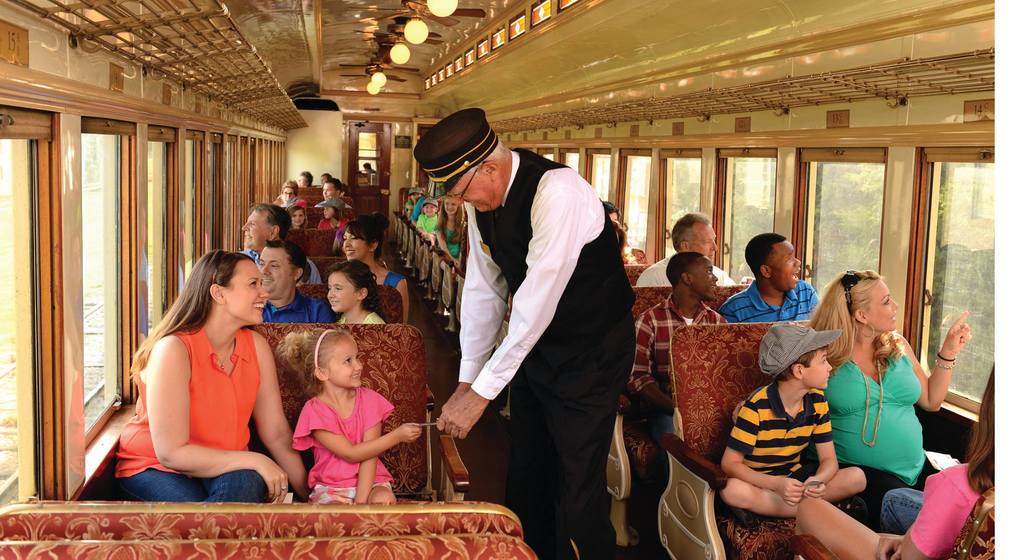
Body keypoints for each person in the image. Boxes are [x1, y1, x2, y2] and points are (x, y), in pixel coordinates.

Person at [413, 108, 635, 560]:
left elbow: (535, 304)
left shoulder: (558, 191)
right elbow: (484, 289)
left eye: (462, 192)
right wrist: (467, 379)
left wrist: (483, 394)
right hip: (538, 350)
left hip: (591, 352)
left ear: (489, 169)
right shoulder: (480, 202)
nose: (464, 203)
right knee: (528, 468)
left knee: (576, 481)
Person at [115, 251, 308, 502]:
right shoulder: (174, 350)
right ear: (218, 293)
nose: (264, 293)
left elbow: (277, 434)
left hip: (226, 463)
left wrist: (310, 496)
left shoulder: (256, 346)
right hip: (156, 466)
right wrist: (257, 460)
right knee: (201, 511)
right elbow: (171, 454)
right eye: (253, 284)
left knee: (246, 481)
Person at [806, 270, 973, 527]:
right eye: (886, 301)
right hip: (860, 473)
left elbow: (931, 400)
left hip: (916, 467)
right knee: (941, 521)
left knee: (971, 502)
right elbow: (791, 400)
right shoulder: (822, 357)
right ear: (862, 315)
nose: (895, 306)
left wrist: (949, 350)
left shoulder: (898, 345)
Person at [795, 370, 994, 560]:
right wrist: (902, 539)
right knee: (895, 499)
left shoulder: (955, 484)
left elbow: (910, 556)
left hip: (913, 547)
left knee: (809, 507)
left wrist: (904, 542)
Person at [721, 324, 866, 522]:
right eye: (823, 360)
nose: (830, 367)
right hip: (760, 482)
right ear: (799, 371)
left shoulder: (818, 401)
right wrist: (776, 485)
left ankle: (773, 509)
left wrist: (818, 481)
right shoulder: (756, 408)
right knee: (731, 490)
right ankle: (810, 508)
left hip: (796, 479)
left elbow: (829, 460)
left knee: (857, 477)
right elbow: (729, 464)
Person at [280, 328, 423, 504]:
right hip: (331, 487)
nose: (359, 366)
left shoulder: (370, 400)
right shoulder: (315, 412)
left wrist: (361, 502)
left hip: (372, 482)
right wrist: (397, 436)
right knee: (335, 513)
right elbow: (350, 454)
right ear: (322, 373)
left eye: (357, 357)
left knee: (383, 498)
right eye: (348, 361)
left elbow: (370, 454)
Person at [628, 252, 725, 473]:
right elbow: (638, 378)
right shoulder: (649, 321)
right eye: (709, 271)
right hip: (665, 408)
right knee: (674, 439)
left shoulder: (716, 321)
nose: (715, 278)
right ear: (687, 278)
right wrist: (676, 409)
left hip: (710, 409)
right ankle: (678, 493)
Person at [718, 232, 818, 323]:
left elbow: (821, 328)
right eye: (789, 258)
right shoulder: (733, 311)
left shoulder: (805, 292)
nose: (798, 262)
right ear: (766, 271)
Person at [636, 212, 736, 288]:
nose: (715, 248)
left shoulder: (720, 277)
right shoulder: (654, 277)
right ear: (685, 246)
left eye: (714, 240)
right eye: (707, 242)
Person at [341, 214, 410, 322]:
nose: (346, 245)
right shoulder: (340, 277)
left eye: (354, 238)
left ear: (373, 245)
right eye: (345, 238)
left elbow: (401, 328)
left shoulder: (396, 283)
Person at [241, 203, 322, 284]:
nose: (244, 228)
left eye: (252, 224)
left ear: (273, 232)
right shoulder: (239, 261)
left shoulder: (302, 266)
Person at [259, 240, 335, 324]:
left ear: (296, 273)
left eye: (274, 265)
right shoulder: (249, 308)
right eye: (261, 264)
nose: (263, 271)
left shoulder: (318, 312)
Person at [435, 195, 465, 260]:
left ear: (458, 206)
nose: (449, 207)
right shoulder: (440, 225)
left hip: (460, 258)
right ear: (443, 205)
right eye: (447, 203)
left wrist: (460, 260)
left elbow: (463, 246)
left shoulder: (462, 225)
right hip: (444, 258)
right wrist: (453, 260)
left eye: (453, 204)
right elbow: (443, 248)